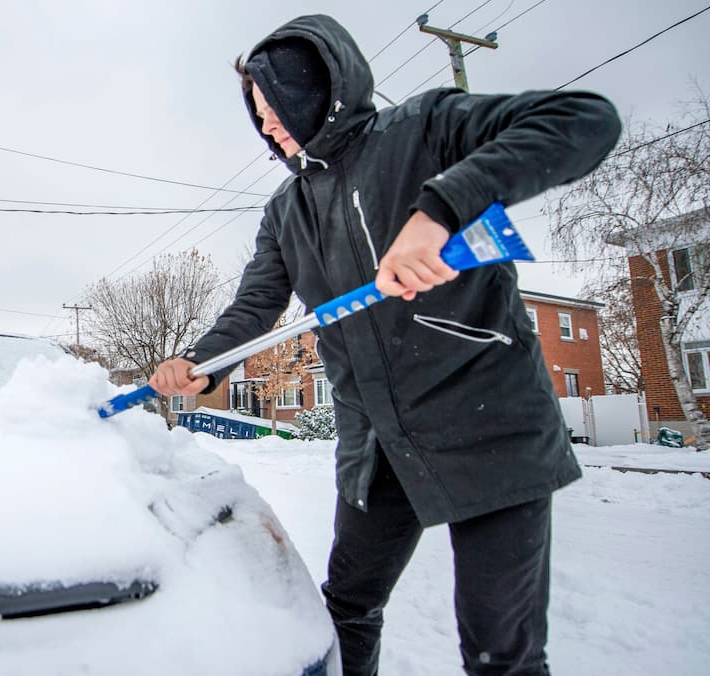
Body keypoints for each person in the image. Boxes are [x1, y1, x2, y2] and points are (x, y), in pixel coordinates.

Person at [148, 14, 621, 676]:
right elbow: (257, 305)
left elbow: (584, 120)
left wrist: (440, 212)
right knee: (346, 608)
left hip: (490, 429)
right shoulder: (286, 210)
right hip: (377, 445)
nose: (269, 127)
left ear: (322, 90)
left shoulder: (423, 129)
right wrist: (201, 362)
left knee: (498, 651)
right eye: (259, 116)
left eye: (278, 107)